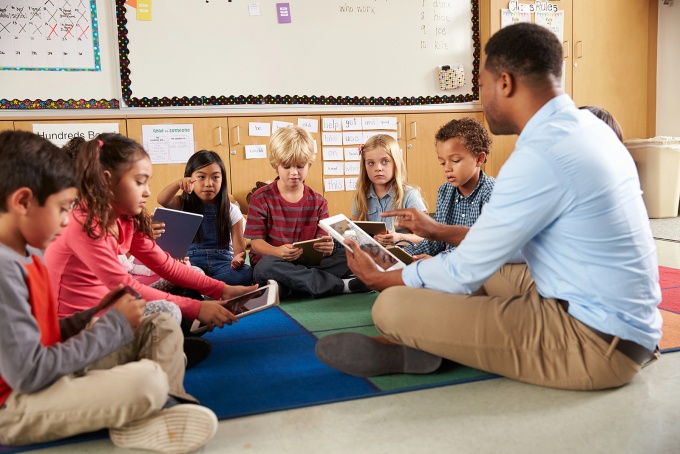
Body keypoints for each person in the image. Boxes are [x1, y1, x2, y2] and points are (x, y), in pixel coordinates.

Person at [315, 23, 661, 391]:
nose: (481, 97)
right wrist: (438, 231)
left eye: (481, 86)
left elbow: (466, 269)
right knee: (484, 274)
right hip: (628, 326)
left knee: (392, 306)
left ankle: (422, 344)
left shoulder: (539, 155)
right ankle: (434, 342)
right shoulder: (589, 131)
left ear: (505, 83)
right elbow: (506, 246)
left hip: (596, 346)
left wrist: (381, 278)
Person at [0, 130, 218, 452]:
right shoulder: (6, 268)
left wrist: (93, 318)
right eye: (62, 208)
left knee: (158, 324)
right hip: (15, 405)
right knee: (148, 380)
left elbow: (45, 334)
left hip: (54, 371)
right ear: (22, 202)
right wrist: (112, 325)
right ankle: (153, 406)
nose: (66, 222)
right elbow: (29, 375)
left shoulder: (26, 255)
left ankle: (168, 405)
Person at [44, 133, 258, 366]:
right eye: (139, 182)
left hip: (110, 309)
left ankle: (165, 345)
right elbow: (125, 288)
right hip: (76, 327)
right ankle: (152, 351)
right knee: (171, 310)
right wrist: (197, 308)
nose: (147, 191)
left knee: (184, 291)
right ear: (107, 181)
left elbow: (166, 265)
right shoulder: (83, 225)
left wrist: (222, 289)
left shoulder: (127, 218)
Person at [244, 125, 369, 297]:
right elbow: (256, 244)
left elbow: (320, 243)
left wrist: (327, 247)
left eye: (300, 166)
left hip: (308, 265)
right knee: (266, 266)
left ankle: (291, 287)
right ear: (275, 165)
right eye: (287, 167)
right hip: (274, 262)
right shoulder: (261, 198)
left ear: (309, 164)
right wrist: (277, 251)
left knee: (350, 254)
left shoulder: (318, 202)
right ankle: (340, 285)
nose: (294, 173)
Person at [399, 117, 495, 259]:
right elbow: (435, 242)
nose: (447, 168)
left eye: (455, 161)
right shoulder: (445, 192)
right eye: (442, 163)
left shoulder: (492, 192)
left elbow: (481, 246)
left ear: (479, 159)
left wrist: (438, 261)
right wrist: (400, 253)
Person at [157, 150, 253, 286]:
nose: (209, 183)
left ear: (222, 180)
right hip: (193, 262)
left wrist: (239, 257)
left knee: (247, 273)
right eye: (201, 177)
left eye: (215, 177)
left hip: (223, 264)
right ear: (188, 178)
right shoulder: (183, 204)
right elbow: (162, 199)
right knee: (181, 273)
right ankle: (214, 287)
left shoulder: (231, 210)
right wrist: (178, 184)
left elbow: (239, 247)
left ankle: (205, 286)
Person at [352, 134, 426, 247]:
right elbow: (356, 233)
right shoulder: (360, 196)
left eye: (385, 161)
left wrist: (399, 237)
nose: (378, 168)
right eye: (371, 163)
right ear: (365, 166)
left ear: (395, 163)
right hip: (372, 255)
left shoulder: (410, 195)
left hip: (402, 254)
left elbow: (425, 238)